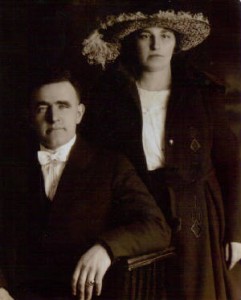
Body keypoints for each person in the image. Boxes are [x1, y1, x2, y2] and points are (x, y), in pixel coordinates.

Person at [81, 2, 241, 299]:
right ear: (132, 41)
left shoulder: (201, 93)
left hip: (198, 215)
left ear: (176, 43)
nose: (156, 44)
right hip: (134, 210)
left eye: (165, 35)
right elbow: (96, 167)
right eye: (145, 35)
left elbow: (232, 163)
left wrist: (235, 232)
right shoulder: (110, 99)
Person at [0, 69, 171, 300]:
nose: (54, 117)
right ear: (30, 116)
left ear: (79, 113)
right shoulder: (9, 170)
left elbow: (157, 227)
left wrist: (106, 248)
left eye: (63, 106)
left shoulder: (111, 166)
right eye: (42, 108)